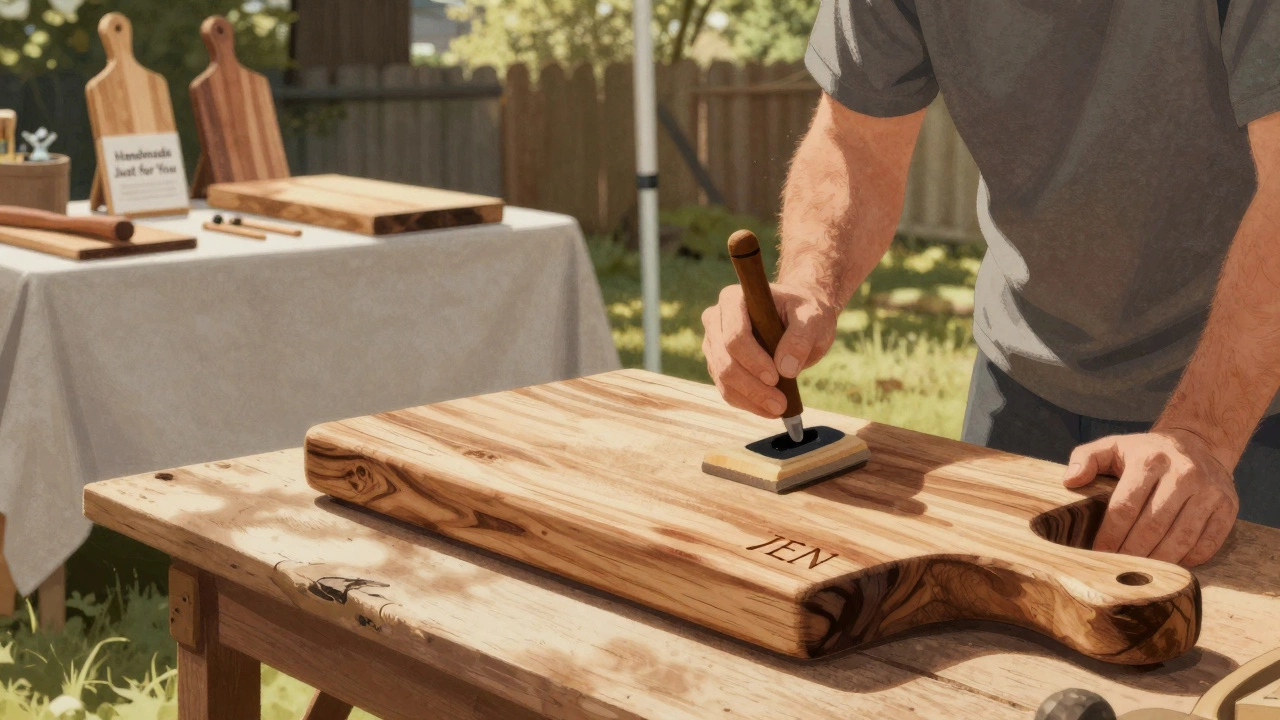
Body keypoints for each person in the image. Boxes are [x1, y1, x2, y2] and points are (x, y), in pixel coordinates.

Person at [701, 1, 1280, 567]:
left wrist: (1202, 433)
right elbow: (856, 142)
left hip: (1246, 401)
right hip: (1022, 379)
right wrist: (810, 284)